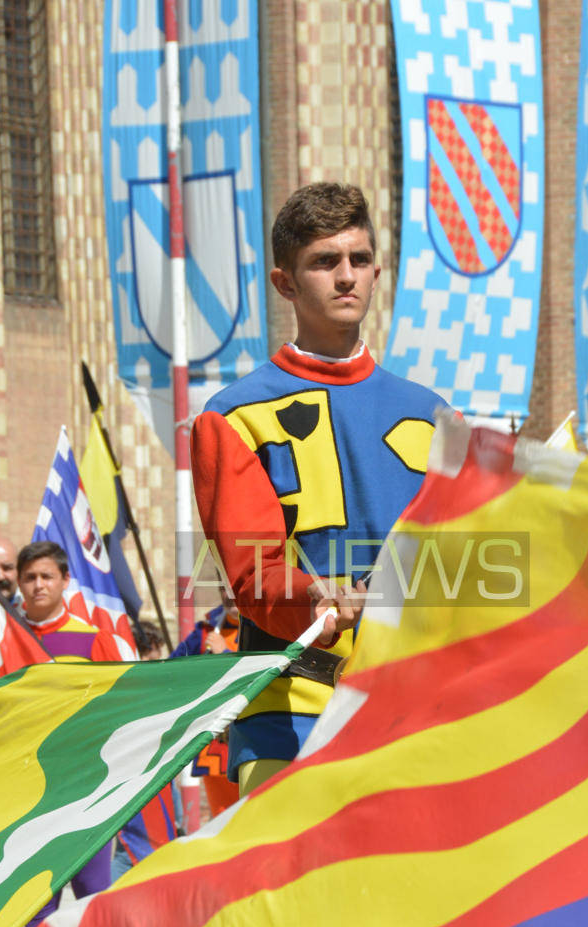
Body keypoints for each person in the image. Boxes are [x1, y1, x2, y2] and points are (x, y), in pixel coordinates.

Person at [191, 182, 445, 794]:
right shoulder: (233, 416)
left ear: (378, 272)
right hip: (289, 706)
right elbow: (253, 576)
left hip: (413, 710)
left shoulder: (435, 414)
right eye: (325, 262)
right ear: (285, 283)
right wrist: (318, 594)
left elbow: (453, 559)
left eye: (358, 260)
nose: (345, 277)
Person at [16, 540, 122, 927]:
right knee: (35, 905)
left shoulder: (93, 639)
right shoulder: (5, 636)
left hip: (84, 789)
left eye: (46, 576)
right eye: (30, 577)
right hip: (26, 797)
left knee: (92, 900)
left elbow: (116, 710)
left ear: (65, 581)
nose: (38, 585)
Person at [171, 586, 240, 818]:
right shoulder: (205, 633)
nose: (229, 595)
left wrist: (223, 655)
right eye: (224, 588)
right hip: (216, 749)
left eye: (236, 587)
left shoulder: (267, 630)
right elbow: (173, 673)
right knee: (221, 823)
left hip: (254, 742)